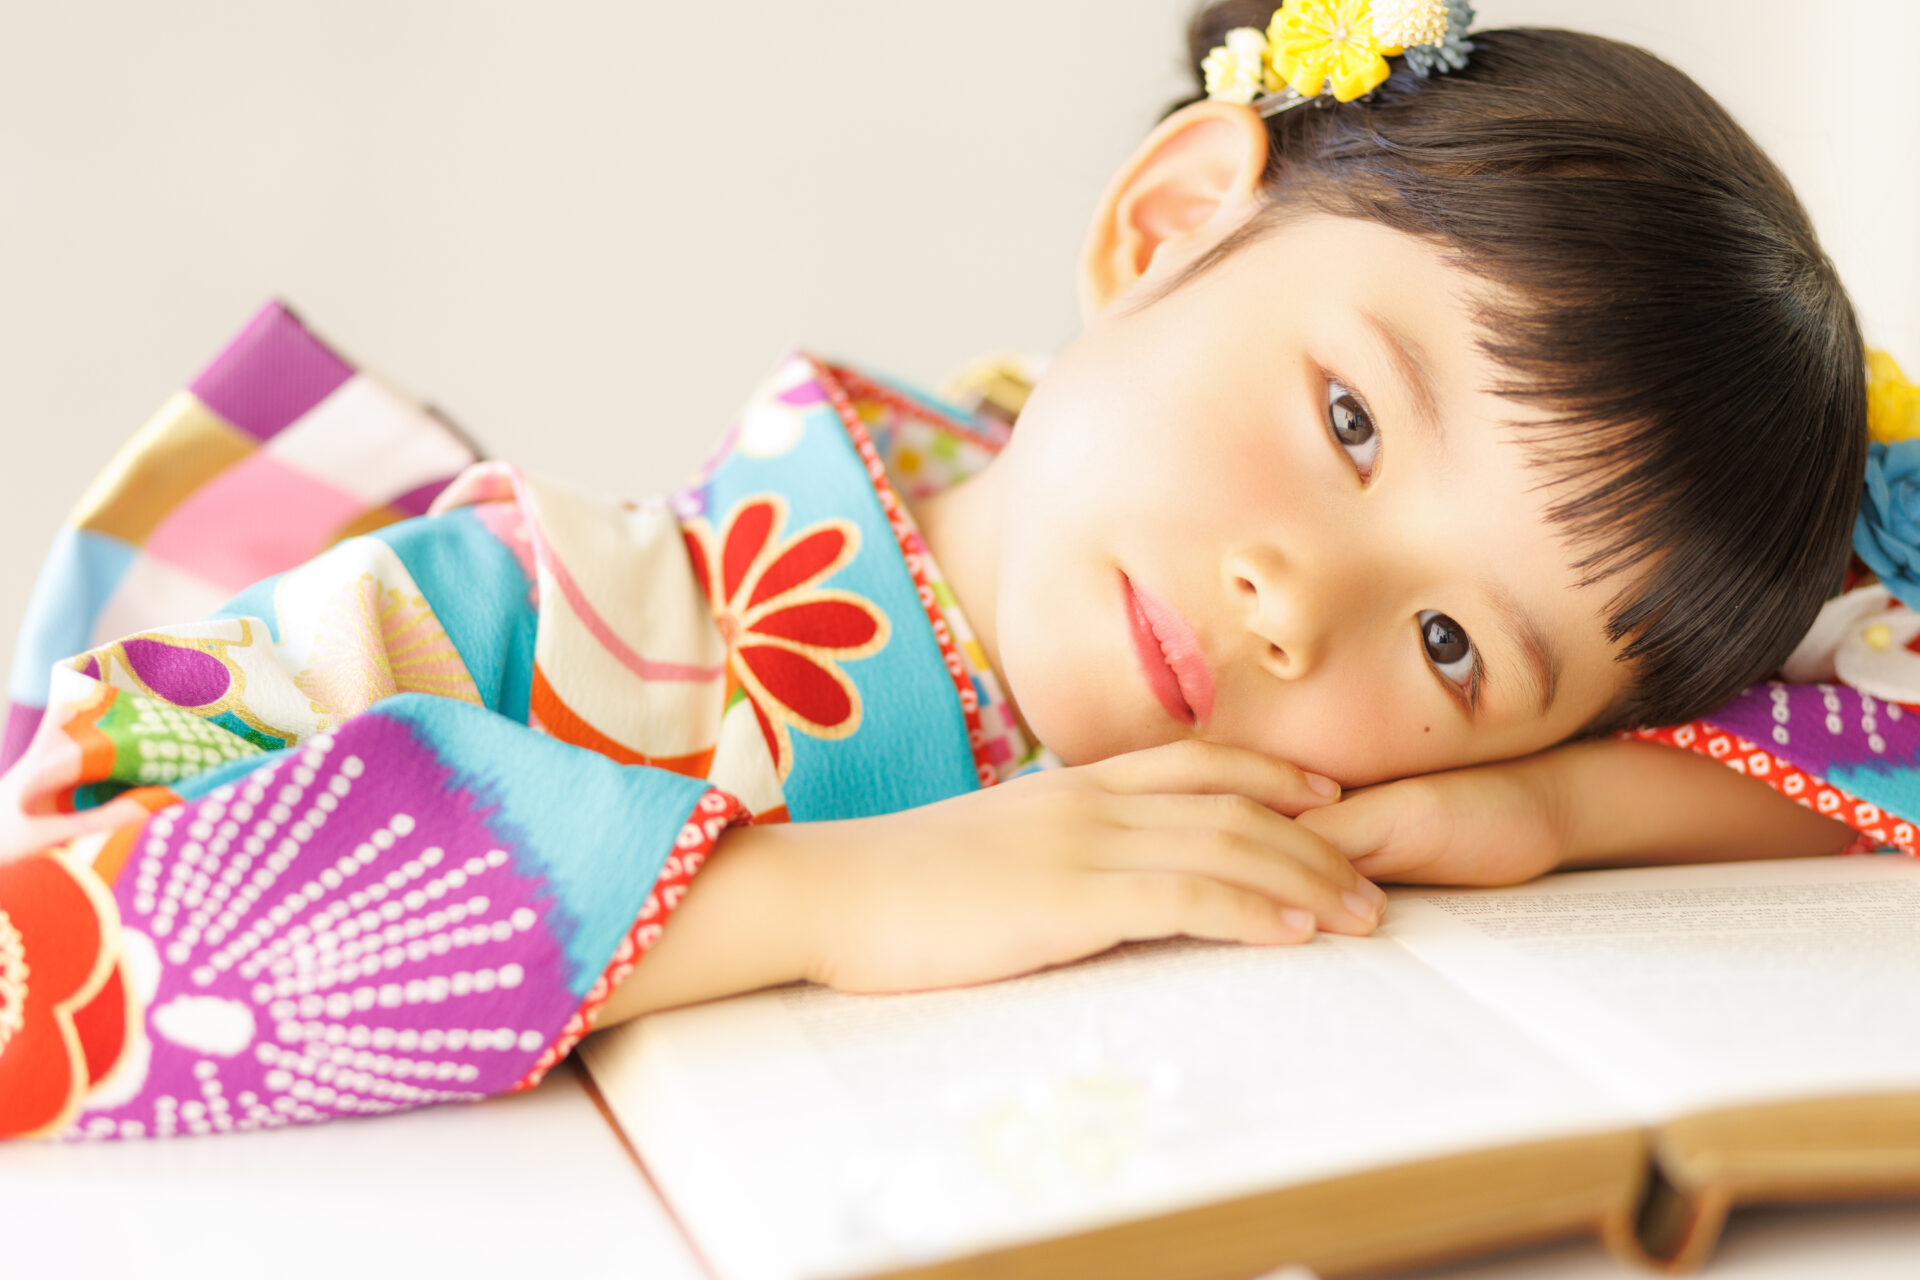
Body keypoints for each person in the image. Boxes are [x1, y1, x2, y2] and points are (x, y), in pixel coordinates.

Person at [0, 1, 1905, 1142]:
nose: (1293, 606)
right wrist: (822, 898)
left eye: (1448, 641)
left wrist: (1556, 806)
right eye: (1347, 418)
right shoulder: (535, 609)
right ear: (1169, 221)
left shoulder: (1355, 774)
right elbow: (40, 915)